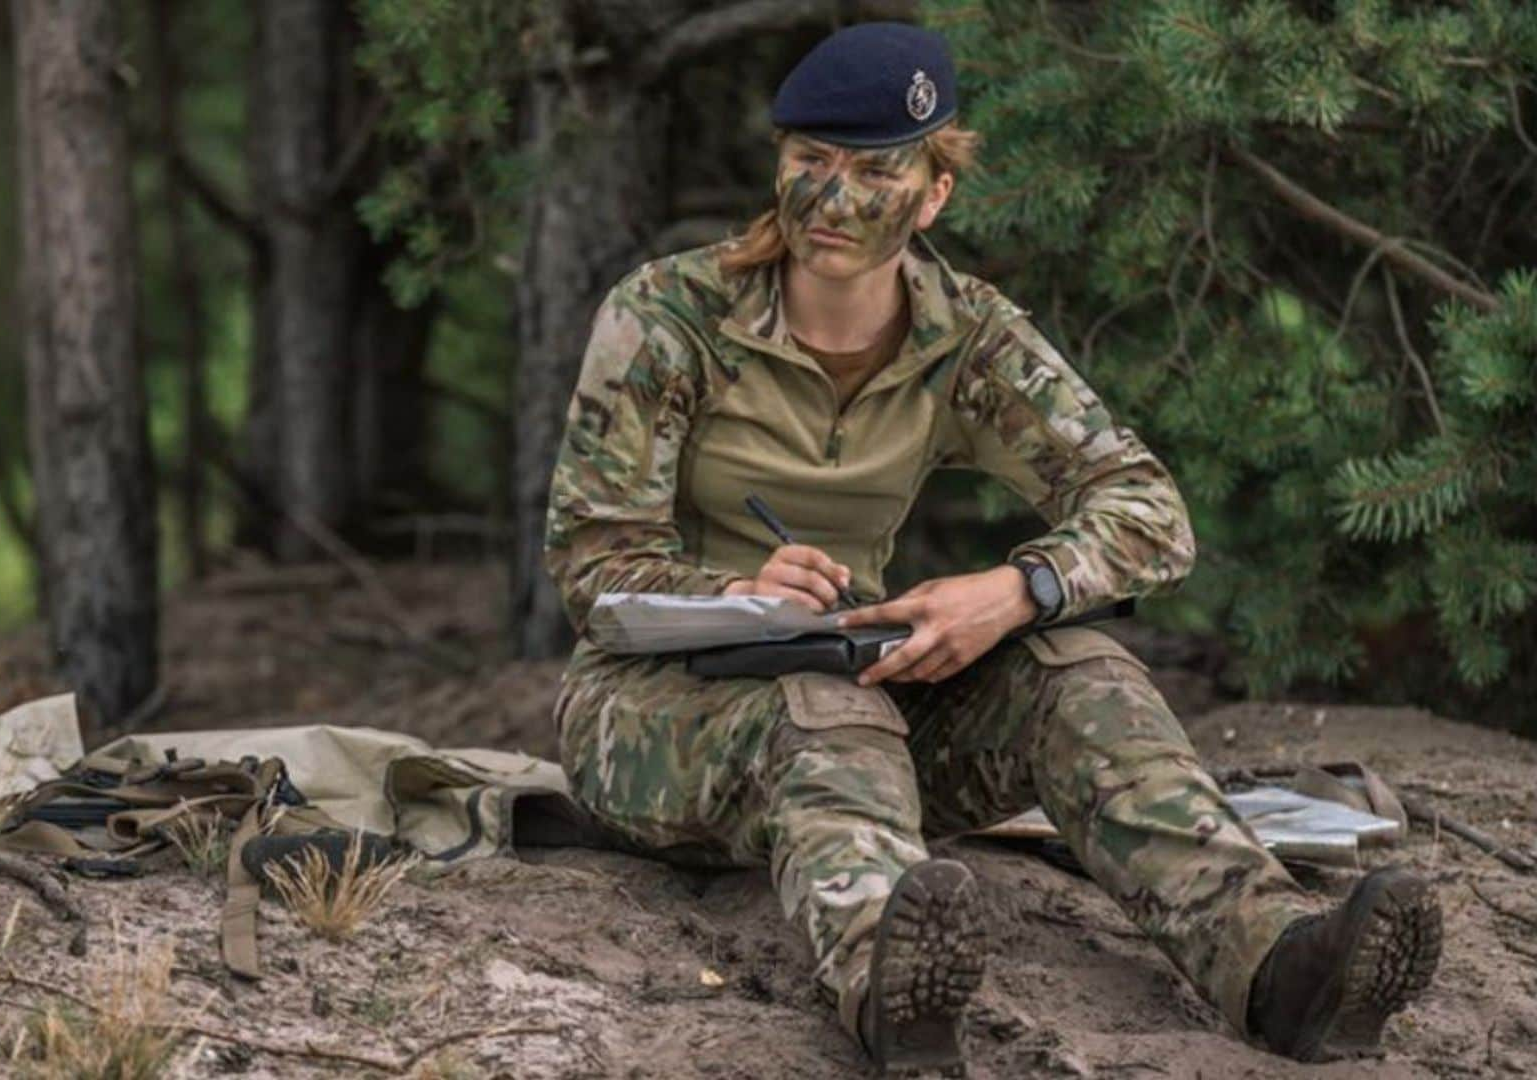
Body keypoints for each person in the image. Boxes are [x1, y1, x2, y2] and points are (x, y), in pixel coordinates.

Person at [542, 21, 1443, 1074]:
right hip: (649, 710)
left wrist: (1017, 590)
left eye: (874, 171)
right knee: (823, 716)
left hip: (858, 685)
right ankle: (896, 993)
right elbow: (594, 572)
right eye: (809, 163)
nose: (831, 202)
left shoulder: (967, 337)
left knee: (1083, 671)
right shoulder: (669, 316)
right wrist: (735, 588)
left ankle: (1279, 968)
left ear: (933, 196)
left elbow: (1147, 508)